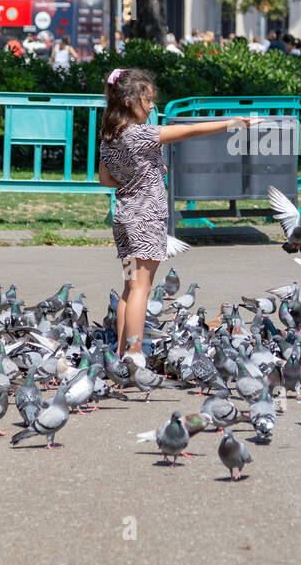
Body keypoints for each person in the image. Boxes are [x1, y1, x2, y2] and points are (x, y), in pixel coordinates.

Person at [97, 68, 263, 365]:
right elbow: (189, 131)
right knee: (141, 289)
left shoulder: (109, 136)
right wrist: (232, 123)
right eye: (146, 100)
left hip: (124, 218)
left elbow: (106, 180)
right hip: (146, 219)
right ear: (128, 101)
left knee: (129, 286)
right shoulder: (142, 134)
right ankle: (135, 355)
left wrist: (139, 174)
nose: (151, 106)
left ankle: (121, 352)